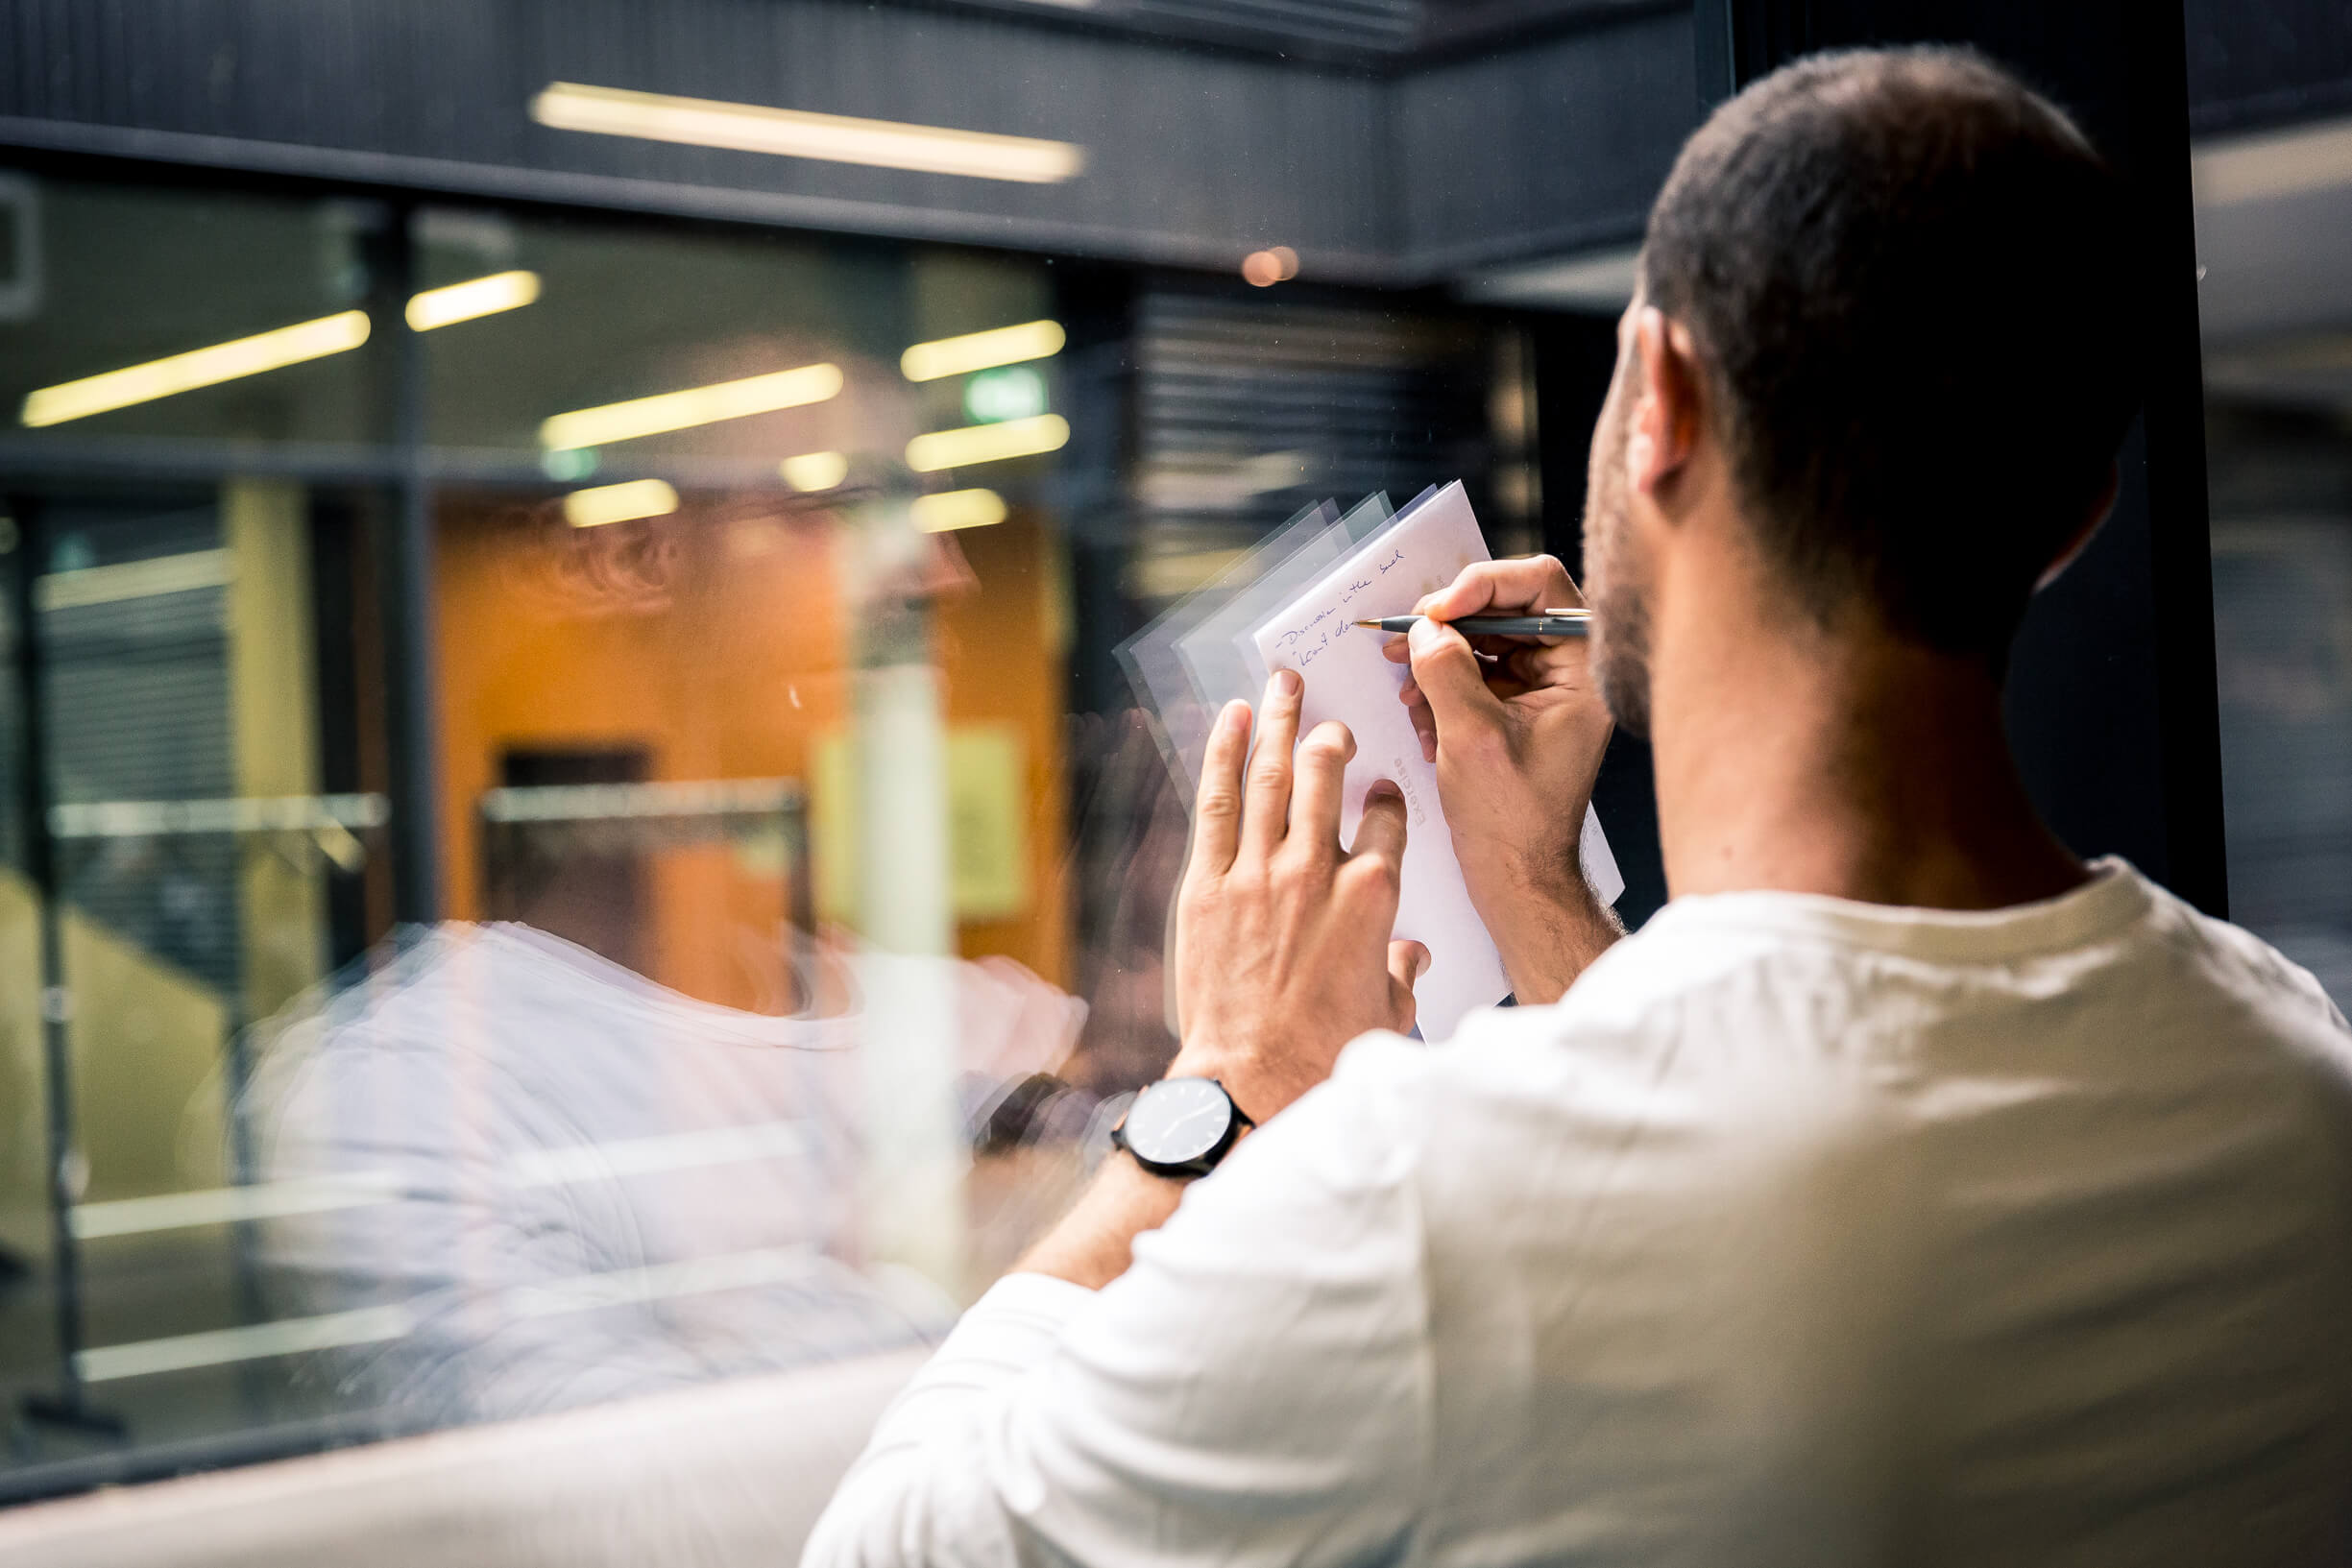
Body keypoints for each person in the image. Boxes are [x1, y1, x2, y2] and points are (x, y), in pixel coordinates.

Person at [803, 47, 2352, 1567]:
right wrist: (1532, 886)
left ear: (1659, 399)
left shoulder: (1431, 1204)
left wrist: (1218, 1089)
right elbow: (1801, 1137)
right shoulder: (2290, 1068)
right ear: (2076, 516)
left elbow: (883, 1549)